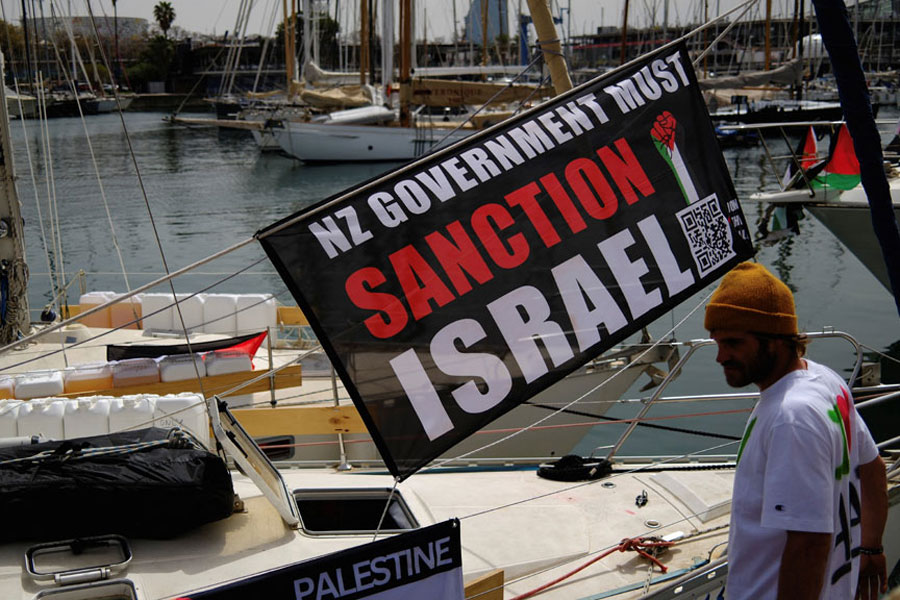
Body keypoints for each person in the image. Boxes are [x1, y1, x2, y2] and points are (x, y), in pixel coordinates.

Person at [704, 261, 888, 600]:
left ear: (776, 340)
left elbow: (809, 543)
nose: (721, 356)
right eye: (717, 342)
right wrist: (871, 547)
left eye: (733, 343)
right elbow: (872, 467)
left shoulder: (791, 417)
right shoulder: (826, 381)